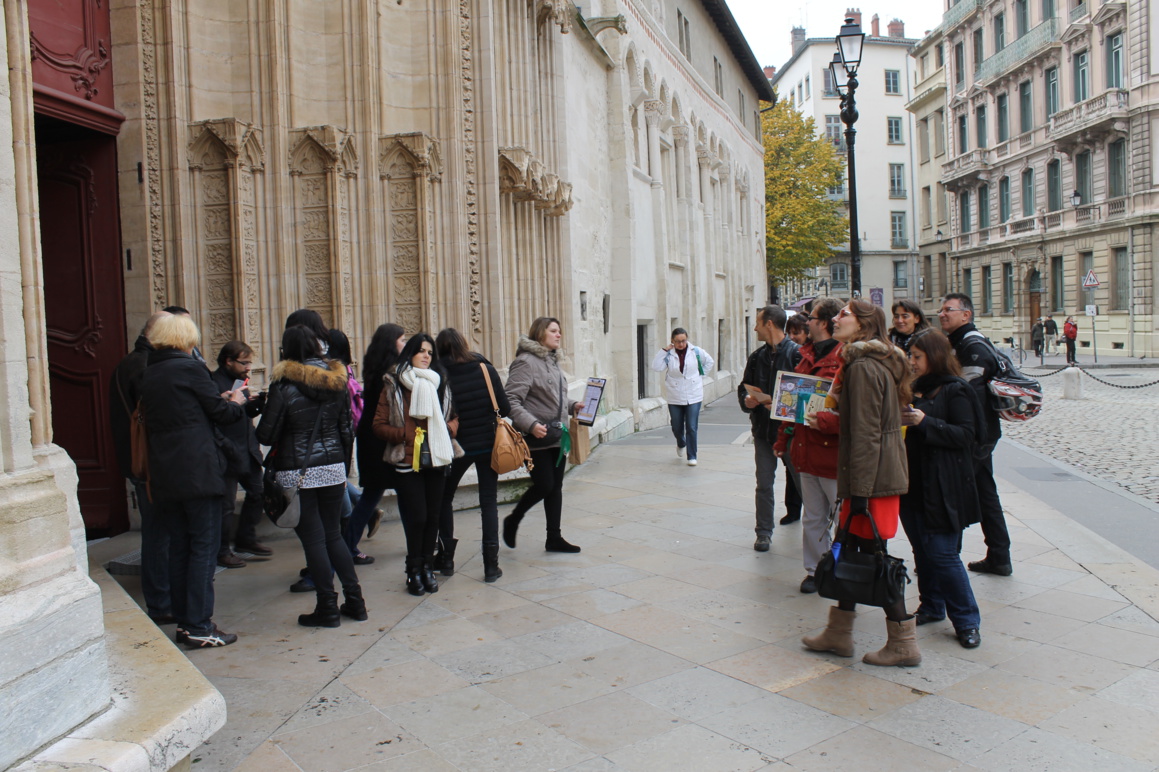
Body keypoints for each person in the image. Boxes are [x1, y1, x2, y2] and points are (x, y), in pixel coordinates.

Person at [802, 299, 918, 667]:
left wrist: (862, 493)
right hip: (870, 476)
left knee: (873, 556)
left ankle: (903, 643)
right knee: (849, 548)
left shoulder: (863, 366)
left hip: (870, 480)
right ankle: (838, 632)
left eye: (844, 314)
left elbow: (867, 431)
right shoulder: (868, 361)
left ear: (864, 325)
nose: (836, 318)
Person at [139, 314, 247, 648]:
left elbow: (183, 412)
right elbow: (222, 415)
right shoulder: (190, 368)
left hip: (165, 471)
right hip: (198, 469)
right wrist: (236, 402)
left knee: (180, 547)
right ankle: (199, 625)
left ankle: (186, 622)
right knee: (203, 547)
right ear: (186, 340)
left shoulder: (150, 372)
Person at [257, 325, 363, 627]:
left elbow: (266, 435)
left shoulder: (283, 386)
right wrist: (341, 466)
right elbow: (347, 431)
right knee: (333, 535)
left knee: (314, 540)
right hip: (332, 469)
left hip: (297, 472)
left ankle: (327, 607)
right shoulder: (338, 381)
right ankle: (355, 601)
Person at [900, 329, 983, 649]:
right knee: (922, 551)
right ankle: (932, 605)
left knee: (943, 554)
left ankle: (967, 620)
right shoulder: (915, 389)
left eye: (917, 356)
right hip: (914, 484)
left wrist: (925, 422)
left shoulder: (956, 390)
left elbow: (966, 435)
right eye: (911, 356)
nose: (912, 362)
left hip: (944, 487)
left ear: (934, 357)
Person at [373, 333, 461, 595]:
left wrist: (446, 429)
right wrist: (405, 434)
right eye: (421, 351)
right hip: (407, 462)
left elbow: (454, 417)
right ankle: (413, 570)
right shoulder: (394, 384)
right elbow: (378, 425)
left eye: (430, 352)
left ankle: (426, 568)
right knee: (417, 518)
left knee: (433, 517)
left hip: (436, 458)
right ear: (410, 353)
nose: (426, 356)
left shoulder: (440, 382)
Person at [773, 297, 843, 593]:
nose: (807, 321)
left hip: (832, 453)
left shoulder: (844, 358)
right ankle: (815, 571)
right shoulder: (806, 355)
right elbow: (792, 405)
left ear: (824, 323)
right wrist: (782, 439)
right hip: (806, 449)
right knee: (813, 516)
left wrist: (826, 422)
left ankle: (842, 569)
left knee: (841, 518)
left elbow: (855, 413)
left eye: (812, 318)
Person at [109, 310, 173, 625]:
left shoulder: (133, 362)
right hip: (150, 464)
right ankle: (161, 603)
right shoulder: (144, 366)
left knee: (159, 533)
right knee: (159, 535)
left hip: (142, 462)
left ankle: (164, 598)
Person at [938, 293, 1009, 577]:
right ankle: (999, 556)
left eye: (948, 310)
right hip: (981, 433)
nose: (942, 314)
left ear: (966, 315)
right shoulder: (961, 342)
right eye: (941, 310)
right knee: (986, 493)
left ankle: (947, 558)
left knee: (955, 494)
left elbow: (966, 394)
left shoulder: (972, 345)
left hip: (975, 436)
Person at [502, 317, 582, 554]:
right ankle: (514, 519)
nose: (559, 335)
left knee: (555, 487)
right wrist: (531, 424)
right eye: (554, 331)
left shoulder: (552, 361)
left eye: (559, 331)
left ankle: (554, 537)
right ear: (540, 333)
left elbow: (554, 398)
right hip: (536, 437)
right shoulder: (525, 362)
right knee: (545, 485)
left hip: (557, 435)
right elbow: (511, 400)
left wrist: (573, 405)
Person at [436, 328, 510, 582]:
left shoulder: (440, 376)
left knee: (444, 498)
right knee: (488, 501)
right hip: (488, 444)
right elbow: (505, 407)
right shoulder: (485, 369)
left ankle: (446, 559)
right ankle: (491, 566)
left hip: (456, 447)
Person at [738, 305, 802, 551]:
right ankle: (763, 532)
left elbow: (805, 397)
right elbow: (744, 386)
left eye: (757, 323)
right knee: (764, 484)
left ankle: (820, 533)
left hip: (791, 434)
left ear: (770, 324)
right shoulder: (757, 357)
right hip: (763, 432)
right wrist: (747, 399)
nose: (754, 328)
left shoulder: (797, 355)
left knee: (804, 485)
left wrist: (778, 405)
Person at [345, 324, 405, 566]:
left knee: (372, 496)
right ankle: (347, 546)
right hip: (384, 440)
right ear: (392, 343)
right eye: (402, 340)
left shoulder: (375, 368)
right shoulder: (391, 374)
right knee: (401, 492)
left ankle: (347, 545)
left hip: (371, 439)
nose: (405, 344)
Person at [210, 341, 271, 568]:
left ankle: (246, 538)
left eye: (249, 363)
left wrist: (257, 404)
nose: (248, 368)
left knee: (258, 492)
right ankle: (222, 551)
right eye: (244, 363)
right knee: (226, 505)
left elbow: (243, 413)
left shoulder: (240, 381)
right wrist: (225, 446)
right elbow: (215, 419)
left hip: (247, 448)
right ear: (228, 361)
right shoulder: (213, 383)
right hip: (227, 450)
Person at [326, 328, 373, 565]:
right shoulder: (348, 370)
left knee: (342, 491)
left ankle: (349, 549)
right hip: (346, 436)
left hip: (337, 439)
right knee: (343, 484)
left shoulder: (333, 374)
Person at [651, 327, 715, 466]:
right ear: (672, 341)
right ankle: (681, 442)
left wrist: (701, 376)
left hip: (694, 394)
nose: (681, 344)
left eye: (683, 341)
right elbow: (656, 367)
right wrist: (663, 351)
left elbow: (709, 361)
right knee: (676, 425)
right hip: (675, 394)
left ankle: (692, 455)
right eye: (678, 341)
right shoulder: (669, 354)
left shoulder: (696, 351)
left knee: (691, 426)